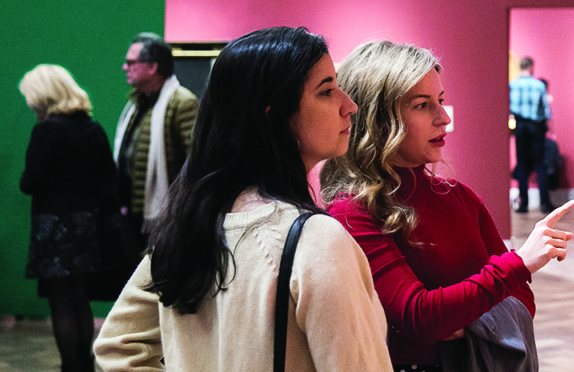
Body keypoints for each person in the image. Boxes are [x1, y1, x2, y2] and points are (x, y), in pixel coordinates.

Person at [93, 26, 392, 371]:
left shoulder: (192, 225)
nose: (349, 105)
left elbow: (118, 344)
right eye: (326, 91)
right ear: (273, 116)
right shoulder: (318, 242)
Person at [320, 40, 574, 370]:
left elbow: (521, 300)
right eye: (422, 105)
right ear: (378, 119)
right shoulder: (352, 213)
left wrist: (465, 320)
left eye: (440, 101)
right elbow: (419, 318)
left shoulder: (460, 197)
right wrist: (518, 264)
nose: (443, 118)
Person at [19, 64, 118, 372]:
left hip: (53, 224)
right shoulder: (93, 128)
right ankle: (85, 364)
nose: (30, 104)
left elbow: (29, 183)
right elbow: (108, 180)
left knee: (60, 302)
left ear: (44, 96)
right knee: (80, 297)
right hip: (86, 223)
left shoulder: (47, 131)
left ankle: (69, 366)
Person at [114, 32, 198, 255]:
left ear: (152, 67)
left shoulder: (182, 102)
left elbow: (197, 161)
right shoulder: (136, 104)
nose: (125, 67)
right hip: (134, 215)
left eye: (131, 62)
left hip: (166, 217)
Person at [509, 56, 555, 213]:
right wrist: (548, 126)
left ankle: (523, 204)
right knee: (540, 163)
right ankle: (544, 203)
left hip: (520, 125)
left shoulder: (512, 85)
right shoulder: (538, 85)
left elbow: (509, 107)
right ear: (531, 67)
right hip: (536, 126)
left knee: (521, 164)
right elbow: (545, 110)